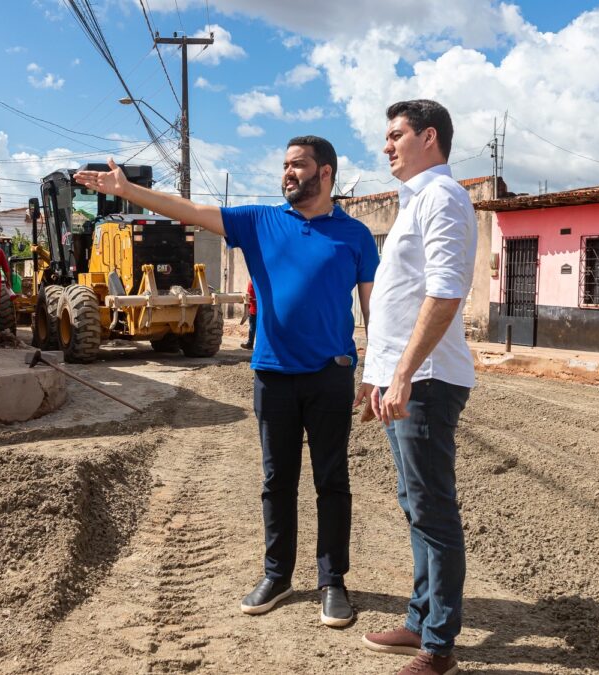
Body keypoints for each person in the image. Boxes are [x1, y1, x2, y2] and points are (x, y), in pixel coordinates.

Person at [77, 137, 379, 626]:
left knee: (332, 481)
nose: (287, 173)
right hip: (274, 375)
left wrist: (378, 372)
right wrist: (128, 192)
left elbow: (373, 308)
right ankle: (277, 575)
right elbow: (190, 209)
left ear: (325, 173)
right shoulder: (259, 222)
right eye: (284, 164)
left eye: (298, 165)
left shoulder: (356, 236)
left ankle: (333, 582)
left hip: (331, 375)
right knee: (276, 480)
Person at [356, 100, 477, 675]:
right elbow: (399, 300)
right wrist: (376, 377)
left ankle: (439, 648)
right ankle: (419, 618)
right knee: (414, 504)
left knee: (432, 509)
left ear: (429, 137)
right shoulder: (416, 202)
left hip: (426, 381)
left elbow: (445, 293)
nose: (386, 146)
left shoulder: (443, 198)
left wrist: (401, 374)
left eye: (395, 134)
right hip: (405, 379)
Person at [240, 279, 257, 350]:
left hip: (255, 309)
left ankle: (251, 344)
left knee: (253, 327)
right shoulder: (254, 281)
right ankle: (251, 344)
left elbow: (251, 296)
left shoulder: (253, 282)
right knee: (253, 327)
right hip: (254, 308)